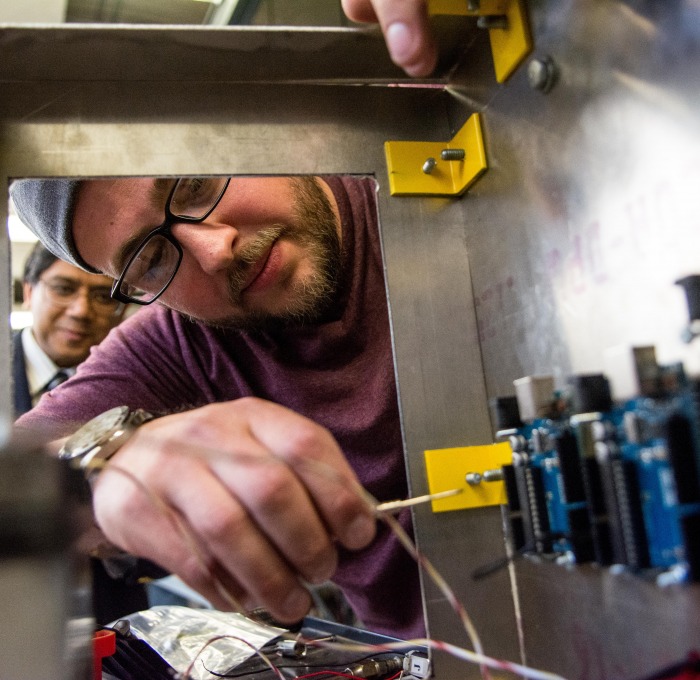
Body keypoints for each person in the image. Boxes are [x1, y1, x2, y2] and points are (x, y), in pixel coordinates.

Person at [10, 174, 424, 639]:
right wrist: (107, 462)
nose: (215, 251)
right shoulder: (179, 342)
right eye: (151, 261)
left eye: (195, 186)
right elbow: (18, 478)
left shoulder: (433, 190)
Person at [11, 241, 151, 624]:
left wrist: (124, 542)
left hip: (110, 623)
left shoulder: (151, 386)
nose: (81, 310)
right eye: (63, 288)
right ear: (28, 290)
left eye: (101, 295)